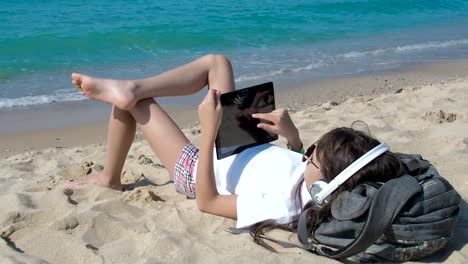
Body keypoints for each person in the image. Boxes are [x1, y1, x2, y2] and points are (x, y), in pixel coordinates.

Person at [66, 54, 403, 246]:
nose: (308, 153)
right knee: (218, 63)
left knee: (133, 105)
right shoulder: (320, 187)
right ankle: (132, 87)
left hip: (202, 168)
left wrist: (209, 130)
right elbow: (300, 167)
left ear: (325, 184)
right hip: (240, 144)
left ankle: (111, 176)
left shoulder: (282, 206)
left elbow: (207, 202)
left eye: (314, 155)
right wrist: (293, 137)